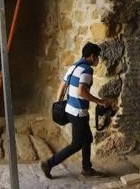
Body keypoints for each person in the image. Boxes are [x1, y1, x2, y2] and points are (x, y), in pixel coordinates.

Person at [40, 42, 109, 178]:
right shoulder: (87, 70)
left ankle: (87, 168)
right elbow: (82, 92)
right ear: (92, 56)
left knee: (87, 138)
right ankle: (49, 164)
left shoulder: (73, 67)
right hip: (78, 112)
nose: (98, 60)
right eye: (98, 57)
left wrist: (58, 103)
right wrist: (100, 101)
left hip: (69, 109)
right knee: (76, 144)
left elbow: (62, 86)